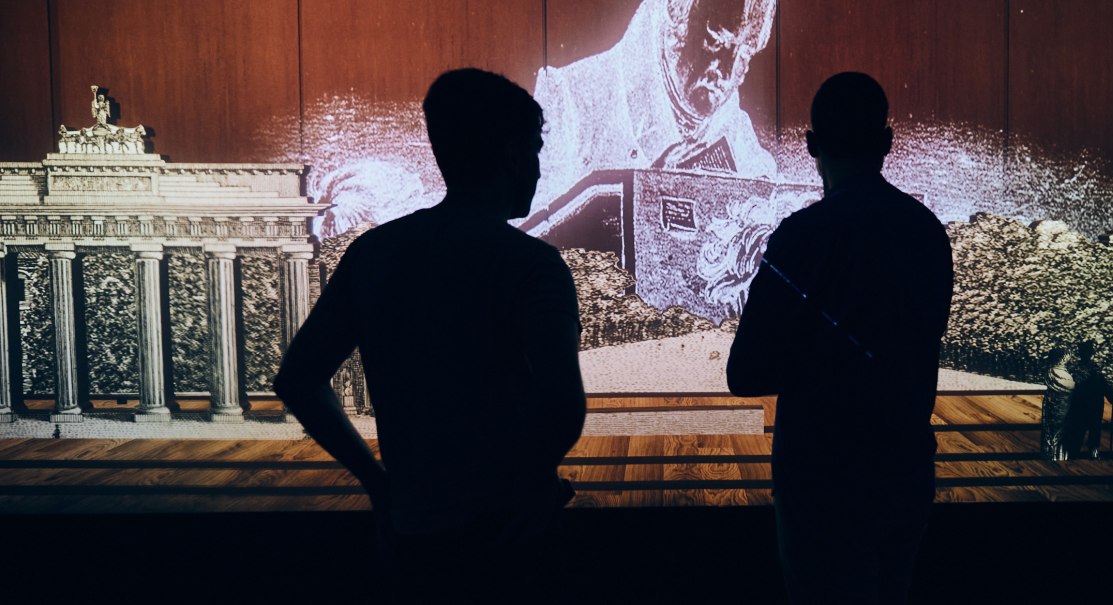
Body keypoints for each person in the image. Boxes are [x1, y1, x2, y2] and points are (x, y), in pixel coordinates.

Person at [273, 68, 586, 603]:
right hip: (514, 532)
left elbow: (299, 379)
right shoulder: (532, 265)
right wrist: (534, 484)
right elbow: (563, 406)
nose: (538, 165)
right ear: (511, 154)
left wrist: (378, 484)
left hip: (415, 528)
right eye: (534, 149)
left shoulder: (375, 254)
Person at [727, 72, 954, 604]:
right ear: (886, 143)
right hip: (902, 469)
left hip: (817, 478)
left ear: (811, 145)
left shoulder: (801, 238)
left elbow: (746, 374)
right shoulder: (926, 232)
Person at [524, 0, 779, 234]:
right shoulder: (570, 98)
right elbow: (528, 248)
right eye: (715, 41)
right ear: (673, 16)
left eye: (745, 53)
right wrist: (648, 195)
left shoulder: (743, 145)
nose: (726, 70)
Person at [1060, 341, 1113, 460]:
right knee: (1094, 431)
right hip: (1094, 406)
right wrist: (1111, 397)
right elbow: (1103, 384)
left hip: (1079, 406)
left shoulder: (1075, 369)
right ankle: (1093, 454)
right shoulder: (1094, 369)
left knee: (1078, 430)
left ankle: (1072, 454)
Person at [1040, 347, 1076, 461]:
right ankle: (1056, 456)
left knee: (1052, 432)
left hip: (1053, 405)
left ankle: (1050, 454)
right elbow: (1071, 387)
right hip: (1061, 407)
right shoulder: (1059, 373)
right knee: (1057, 431)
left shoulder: (1051, 372)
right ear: (1062, 359)